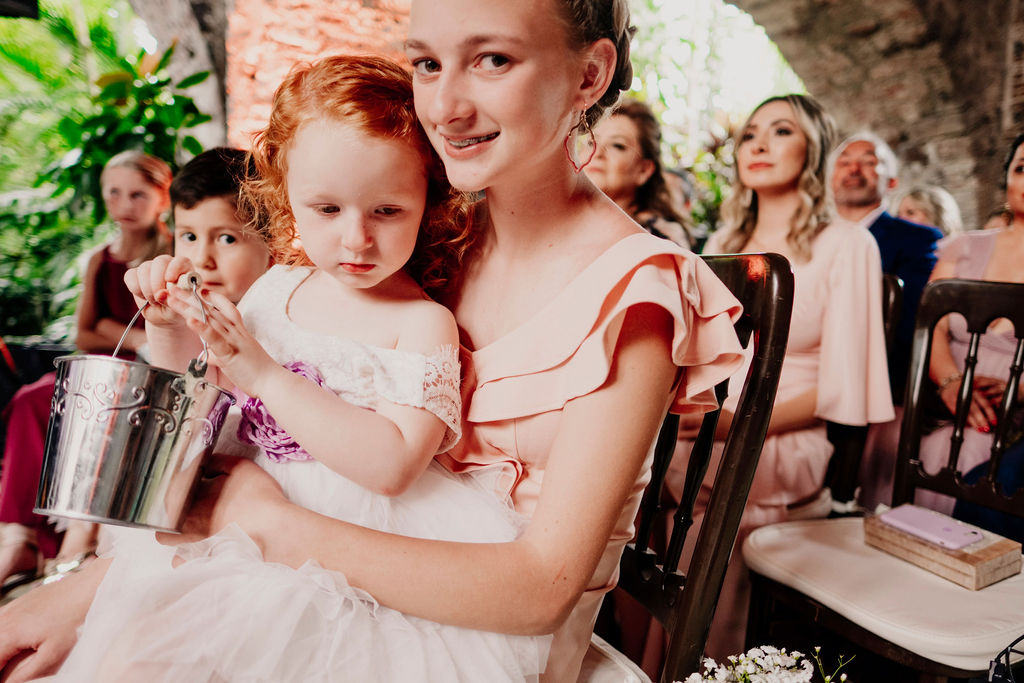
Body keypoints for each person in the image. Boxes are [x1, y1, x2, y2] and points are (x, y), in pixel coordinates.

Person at [0, 2, 746, 681]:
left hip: (467, 636)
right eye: (427, 63)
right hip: (286, 573)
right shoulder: (424, 241)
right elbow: (268, 453)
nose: (446, 107)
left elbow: (537, 593)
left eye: (493, 59)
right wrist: (86, 598)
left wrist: (261, 523)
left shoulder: (635, 291)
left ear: (590, 73)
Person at [637, 94, 893, 666]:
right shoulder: (722, 245)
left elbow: (842, 393)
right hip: (711, 425)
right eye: (750, 132)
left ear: (814, 150)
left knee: (706, 492)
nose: (757, 143)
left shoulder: (847, 245)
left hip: (784, 434)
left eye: (781, 131)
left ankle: (706, 662)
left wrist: (732, 424)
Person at [0, 151, 172, 593]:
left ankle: (78, 534)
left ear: (162, 198)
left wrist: (122, 335)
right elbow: (85, 335)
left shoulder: (172, 253)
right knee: (33, 397)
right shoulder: (102, 259)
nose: (124, 204)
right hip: (108, 363)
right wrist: (131, 337)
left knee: (86, 404)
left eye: (137, 194)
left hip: (152, 372)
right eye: (113, 193)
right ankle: (17, 533)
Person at [860, 134, 1024, 513]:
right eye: (1021, 168)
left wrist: (1017, 387)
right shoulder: (964, 246)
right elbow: (930, 324)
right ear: (1008, 180)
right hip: (938, 389)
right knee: (896, 432)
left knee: (972, 450)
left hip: (1008, 414)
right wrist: (951, 383)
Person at [829, 132, 944, 403]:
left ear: (892, 181)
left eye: (869, 162)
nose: (853, 169)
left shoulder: (918, 239)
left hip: (871, 379)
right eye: (843, 162)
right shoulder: (809, 236)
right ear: (831, 180)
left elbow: (909, 325)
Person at [585, 98, 693, 247]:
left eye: (617, 145)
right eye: (591, 142)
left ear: (644, 170)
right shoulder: (567, 224)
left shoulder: (660, 240)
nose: (596, 153)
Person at [893, 184, 963, 236]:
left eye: (910, 213)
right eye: (898, 215)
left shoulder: (963, 251)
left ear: (937, 215)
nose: (900, 219)